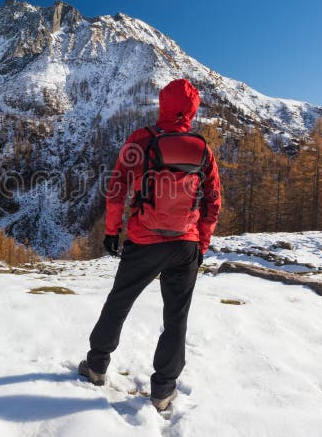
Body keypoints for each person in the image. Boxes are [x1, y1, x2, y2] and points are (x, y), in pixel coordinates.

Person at [78, 78, 221, 412]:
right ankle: (163, 391)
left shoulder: (141, 140)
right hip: (185, 244)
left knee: (119, 303)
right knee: (176, 318)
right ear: (192, 110)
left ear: (162, 105)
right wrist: (201, 243)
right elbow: (213, 202)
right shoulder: (202, 149)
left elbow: (117, 188)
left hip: (143, 240)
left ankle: (97, 366)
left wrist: (112, 232)